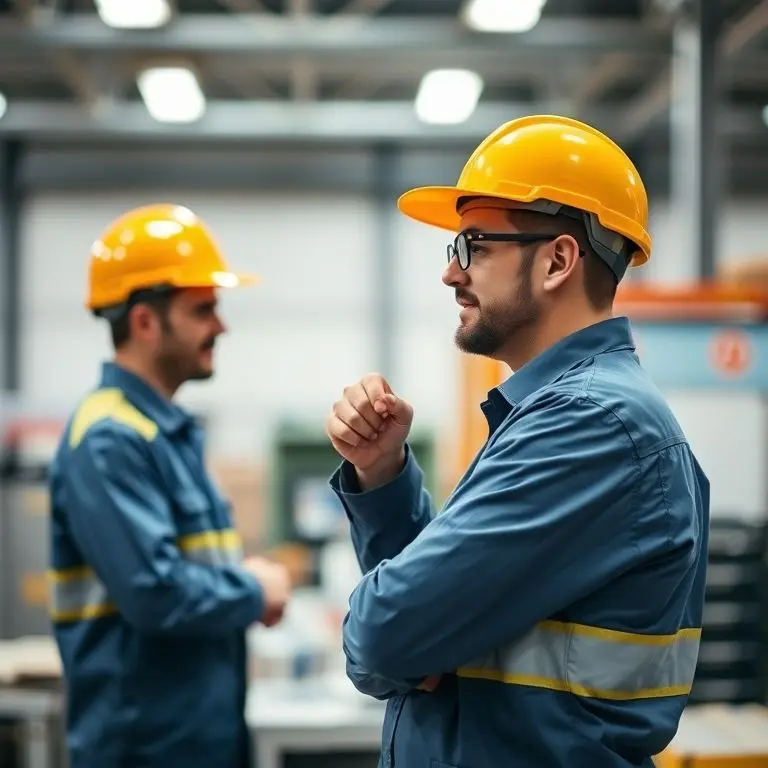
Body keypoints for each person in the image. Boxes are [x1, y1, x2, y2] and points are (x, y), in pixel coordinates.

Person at [325, 115, 710, 767]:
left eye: (474, 245)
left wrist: (402, 636)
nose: (452, 274)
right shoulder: (555, 415)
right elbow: (426, 619)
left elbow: (384, 636)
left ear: (558, 259)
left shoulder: (590, 425)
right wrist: (383, 476)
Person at [48, 203, 292, 768]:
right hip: (144, 748)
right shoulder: (110, 438)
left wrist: (244, 584)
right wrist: (255, 592)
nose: (221, 326)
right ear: (144, 322)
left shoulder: (164, 433)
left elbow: (186, 573)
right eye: (203, 309)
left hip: (193, 740)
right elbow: (155, 592)